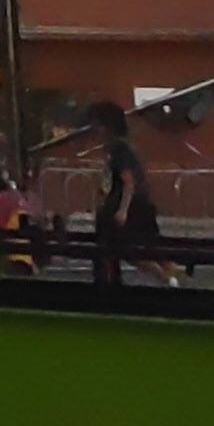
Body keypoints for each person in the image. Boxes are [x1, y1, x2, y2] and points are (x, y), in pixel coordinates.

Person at [90, 111, 158, 297]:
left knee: (124, 250)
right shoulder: (116, 151)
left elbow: (129, 181)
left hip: (123, 208)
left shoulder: (120, 151)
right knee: (117, 251)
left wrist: (122, 210)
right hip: (117, 206)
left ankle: (166, 277)